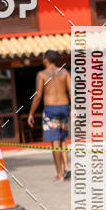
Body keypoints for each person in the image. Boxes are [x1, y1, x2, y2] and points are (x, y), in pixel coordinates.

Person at [27, 50, 72, 181]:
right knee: (63, 138)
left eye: (43, 58)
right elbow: (72, 92)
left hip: (51, 109)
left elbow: (38, 96)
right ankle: (66, 166)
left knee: (55, 141)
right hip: (64, 107)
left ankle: (59, 174)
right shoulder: (64, 72)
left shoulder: (41, 75)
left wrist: (31, 113)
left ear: (46, 59)